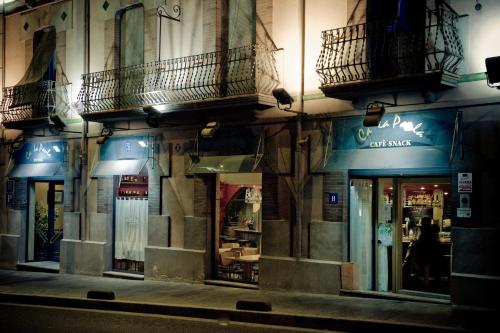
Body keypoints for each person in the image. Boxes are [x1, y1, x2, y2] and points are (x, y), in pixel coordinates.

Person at [412, 216, 441, 290]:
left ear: (423, 223)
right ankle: (429, 283)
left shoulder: (425, 231)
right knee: (426, 268)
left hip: (425, 255)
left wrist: (415, 242)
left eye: (421, 222)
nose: (420, 223)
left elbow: (421, 243)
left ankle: (424, 285)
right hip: (433, 254)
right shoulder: (432, 229)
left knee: (418, 264)